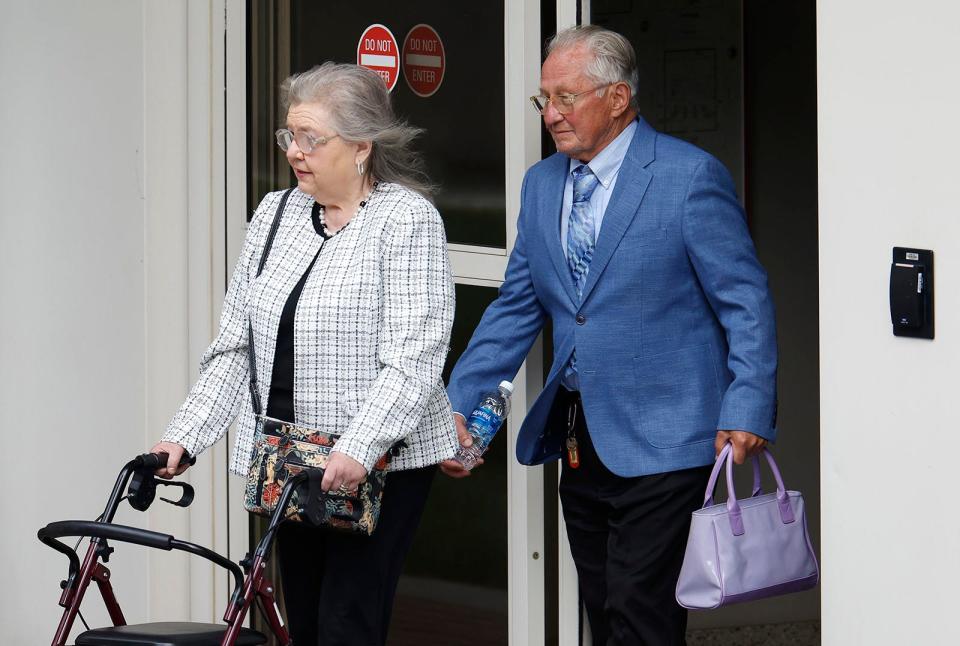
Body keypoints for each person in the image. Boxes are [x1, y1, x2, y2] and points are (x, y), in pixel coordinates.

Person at [441, 26, 778, 646]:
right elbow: (516, 307)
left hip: (670, 435)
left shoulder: (688, 177)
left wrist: (749, 400)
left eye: (567, 97)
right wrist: (457, 406)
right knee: (603, 602)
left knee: (639, 610)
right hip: (580, 437)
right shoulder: (542, 185)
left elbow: (745, 299)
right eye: (545, 100)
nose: (553, 114)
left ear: (618, 98)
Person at [150, 62, 458, 646]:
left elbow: (414, 360)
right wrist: (184, 436)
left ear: (362, 145)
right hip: (291, 459)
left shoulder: (407, 220)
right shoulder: (275, 213)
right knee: (307, 623)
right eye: (290, 135)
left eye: (311, 138)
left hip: (379, 463)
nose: (295, 150)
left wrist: (358, 448)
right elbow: (235, 346)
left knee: (348, 624)